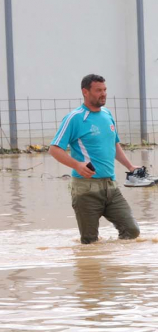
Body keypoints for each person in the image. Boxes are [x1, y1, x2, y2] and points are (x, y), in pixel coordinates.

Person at [49, 74, 141, 244]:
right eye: (98, 90)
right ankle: (92, 269)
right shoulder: (74, 118)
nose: (103, 94)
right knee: (90, 242)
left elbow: (114, 145)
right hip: (86, 189)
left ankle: (116, 266)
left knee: (132, 231)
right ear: (85, 92)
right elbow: (54, 149)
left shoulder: (107, 114)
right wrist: (77, 164)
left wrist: (130, 166)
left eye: (105, 90)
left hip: (111, 186)